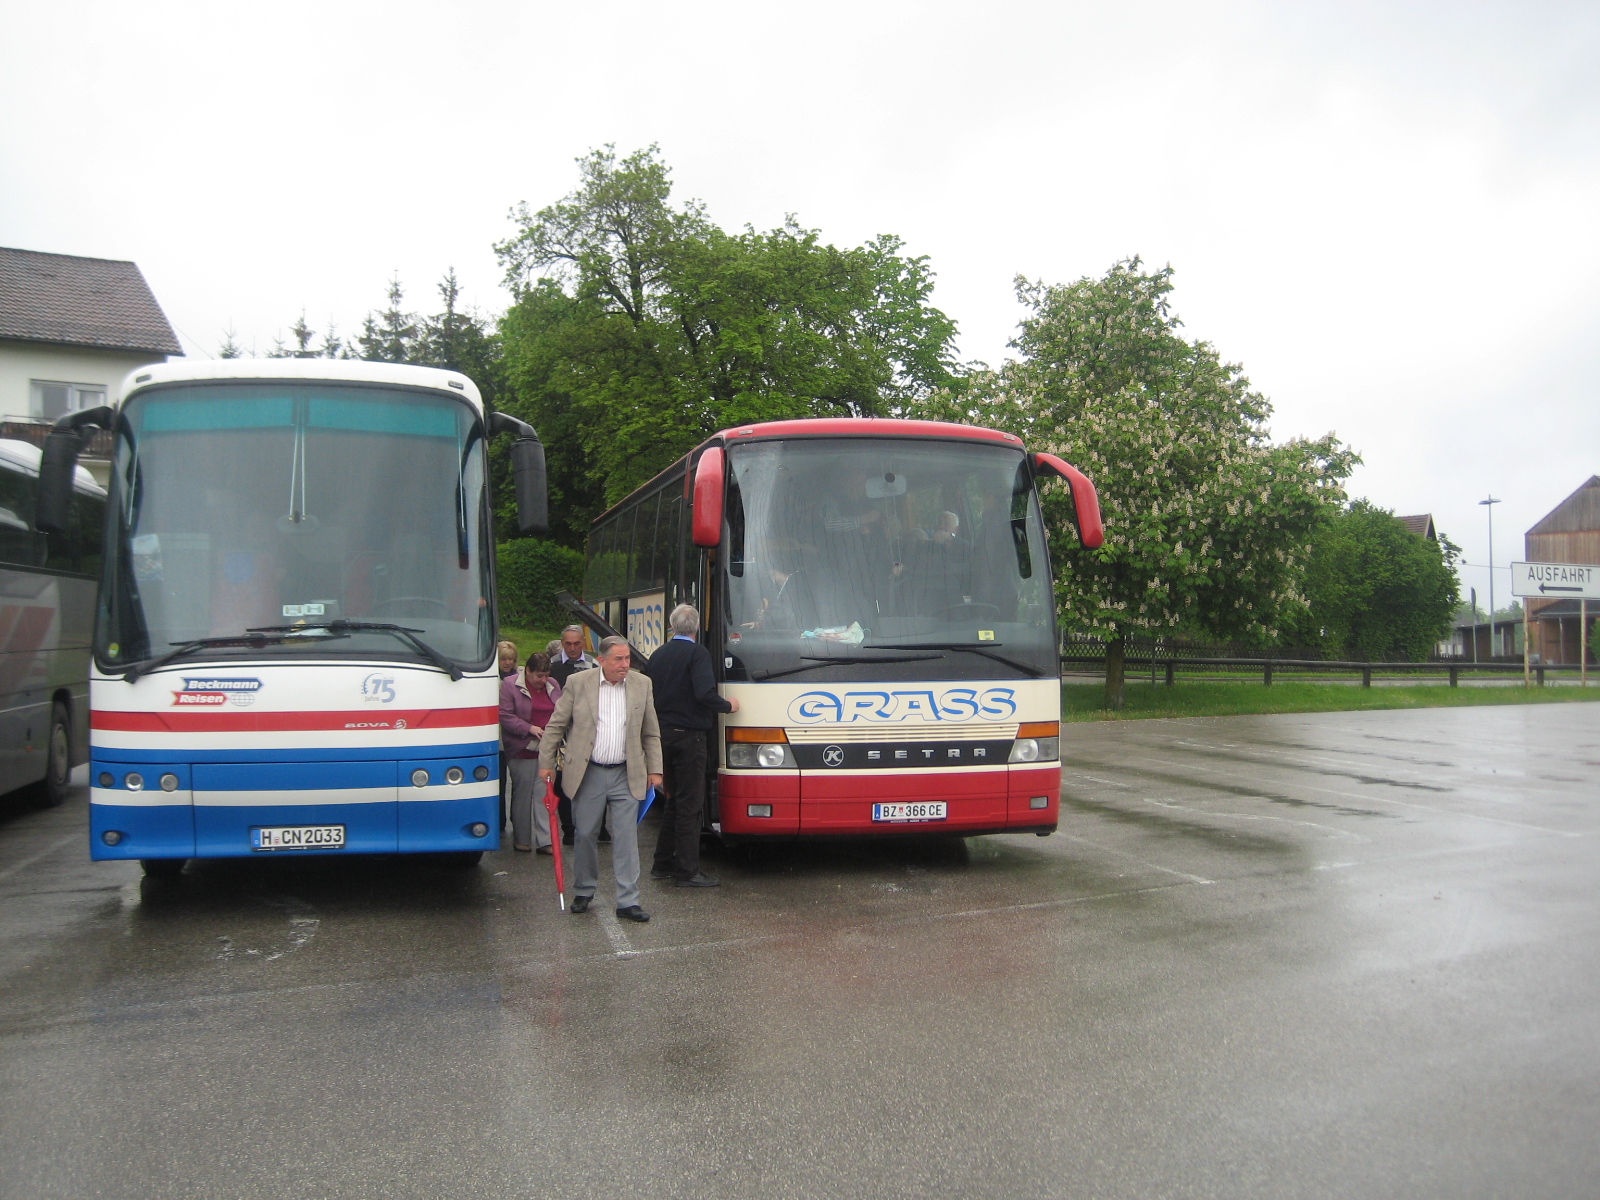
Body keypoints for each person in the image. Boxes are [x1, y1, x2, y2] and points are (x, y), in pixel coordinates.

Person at [538, 636, 662, 921]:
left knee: (626, 837)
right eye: (618, 659)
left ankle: (628, 900)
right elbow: (556, 725)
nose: (624, 664)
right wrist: (546, 763)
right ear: (602, 660)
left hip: (626, 772)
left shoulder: (642, 684)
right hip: (588, 771)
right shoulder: (578, 683)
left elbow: (651, 731)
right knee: (584, 833)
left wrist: (655, 769)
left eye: (627, 658)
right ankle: (584, 890)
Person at [645, 604, 740, 887]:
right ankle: (687, 871)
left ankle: (662, 863)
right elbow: (704, 693)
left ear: (672, 626)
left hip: (663, 735)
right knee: (690, 804)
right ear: (697, 628)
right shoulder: (698, 654)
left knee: (673, 799)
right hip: (689, 737)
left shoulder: (658, 655)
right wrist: (728, 706)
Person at [501, 652, 562, 853]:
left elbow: (561, 711)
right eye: (539, 676)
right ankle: (522, 839)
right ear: (528, 671)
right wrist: (529, 728)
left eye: (546, 675)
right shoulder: (510, 685)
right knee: (523, 795)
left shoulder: (553, 685)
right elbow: (505, 716)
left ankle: (546, 841)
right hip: (522, 749)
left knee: (545, 794)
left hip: (546, 750)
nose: (543, 680)